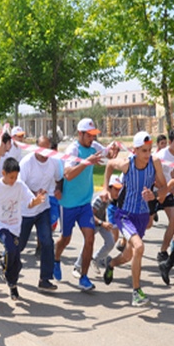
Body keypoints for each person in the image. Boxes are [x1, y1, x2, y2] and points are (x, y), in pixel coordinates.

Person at [102, 131, 169, 307]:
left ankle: (111, 264)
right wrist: (105, 189)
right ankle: (136, 292)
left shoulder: (154, 163)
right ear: (135, 150)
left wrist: (153, 195)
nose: (147, 154)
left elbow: (164, 189)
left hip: (142, 215)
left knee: (128, 256)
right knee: (139, 247)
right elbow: (109, 164)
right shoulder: (126, 165)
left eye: (149, 150)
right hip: (124, 215)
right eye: (143, 151)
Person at [54, 118, 117, 292]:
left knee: (90, 238)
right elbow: (68, 174)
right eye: (89, 135)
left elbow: (108, 155)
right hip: (68, 204)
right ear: (80, 134)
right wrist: (85, 162)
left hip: (84, 203)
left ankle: (83, 277)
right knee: (65, 239)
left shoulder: (94, 147)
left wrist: (113, 150)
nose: (92, 138)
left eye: (93, 135)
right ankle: (56, 259)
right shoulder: (73, 149)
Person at [0, 157, 45, 300]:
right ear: (3, 173)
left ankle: (13, 285)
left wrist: (36, 202)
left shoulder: (19, 185)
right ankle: (6, 272)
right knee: (10, 248)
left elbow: (29, 203)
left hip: (15, 226)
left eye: (16, 177)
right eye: (11, 177)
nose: (14, 180)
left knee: (17, 262)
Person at [18, 136, 63, 291]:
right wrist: (34, 194)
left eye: (47, 150)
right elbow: (18, 185)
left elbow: (59, 179)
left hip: (43, 208)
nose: (44, 154)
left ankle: (45, 279)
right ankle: (9, 265)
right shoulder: (26, 163)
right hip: (26, 210)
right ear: (35, 148)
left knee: (47, 242)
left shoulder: (54, 162)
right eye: (41, 149)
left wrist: (58, 189)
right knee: (20, 244)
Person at [153, 129, 174, 262]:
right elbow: (152, 175)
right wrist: (162, 189)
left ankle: (163, 251)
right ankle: (125, 241)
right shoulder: (161, 155)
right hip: (155, 191)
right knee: (147, 225)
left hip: (168, 192)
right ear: (170, 143)